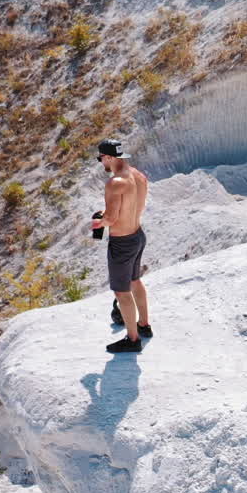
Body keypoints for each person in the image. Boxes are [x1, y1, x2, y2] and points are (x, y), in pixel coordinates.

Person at [90, 139, 152, 353]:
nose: (101, 163)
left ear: (109, 157)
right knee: (135, 281)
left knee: (121, 292)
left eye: (101, 158)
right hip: (137, 235)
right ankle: (144, 325)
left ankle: (133, 339)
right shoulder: (137, 175)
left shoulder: (115, 182)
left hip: (122, 243)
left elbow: (111, 219)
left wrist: (99, 222)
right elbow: (137, 206)